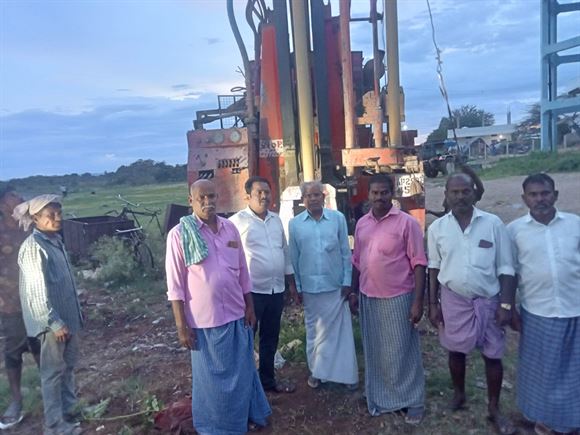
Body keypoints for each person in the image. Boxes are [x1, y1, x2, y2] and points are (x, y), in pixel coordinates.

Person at [165, 179, 271, 434]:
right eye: (201, 198)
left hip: (236, 315)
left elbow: (243, 271)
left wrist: (250, 307)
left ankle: (245, 416)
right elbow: (176, 286)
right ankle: (216, 426)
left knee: (243, 372)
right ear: (191, 200)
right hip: (204, 322)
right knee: (212, 382)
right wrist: (181, 326)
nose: (207, 202)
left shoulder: (230, 229)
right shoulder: (179, 235)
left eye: (211, 197)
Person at [427, 173, 516, 435]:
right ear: (446, 195)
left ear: (474, 194)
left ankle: (494, 407)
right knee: (455, 351)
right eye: (454, 192)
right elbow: (434, 267)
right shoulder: (437, 229)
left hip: (489, 300)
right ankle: (459, 395)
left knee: (493, 355)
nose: (460, 196)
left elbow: (507, 267)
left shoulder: (493, 224)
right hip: (454, 300)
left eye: (465, 191)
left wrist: (506, 305)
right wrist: (433, 304)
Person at [350, 175, 427, 424]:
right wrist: (353, 291)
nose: (379, 197)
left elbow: (419, 263)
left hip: (398, 297)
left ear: (392, 193)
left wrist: (418, 302)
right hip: (368, 296)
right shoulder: (362, 224)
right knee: (376, 351)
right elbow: (357, 261)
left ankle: (413, 401)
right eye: (375, 193)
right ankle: (382, 399)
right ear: (369, 195)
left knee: (402, 351)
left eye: (384, 192)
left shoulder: (407, 223)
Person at [507, 173, 580, 435]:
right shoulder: (514, 231)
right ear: (524, 199)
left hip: (575, 309)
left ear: (555, 195)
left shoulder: (575, 225)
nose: (540, 199)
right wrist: (510, 308)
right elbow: (510, 272)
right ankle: (543, 422)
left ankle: (572, 421)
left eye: (545, 193)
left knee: (574, 370)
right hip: (538, 312)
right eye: (534, 194)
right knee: (543, 373)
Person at [14, 194, 83, 435]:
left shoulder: (54, 240)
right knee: (53, 374)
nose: (57, 218)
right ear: (35, 219)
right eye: (50, 215)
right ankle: (55, 426)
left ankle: (70, 411)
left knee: (68, 368)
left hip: (68, 319)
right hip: (52, 325)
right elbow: (36, 293)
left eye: (58, 213)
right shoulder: (34, 247)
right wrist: (54, 322)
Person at [229, 176, 298, 394]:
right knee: (247, 339)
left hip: (275, 290)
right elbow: (228, 258)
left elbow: (285, 252)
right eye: (259, 192)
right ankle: (245, 386)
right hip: (252, 293)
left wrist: (291, 285)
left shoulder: (276, 220)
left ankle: (267, 382)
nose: (264, 196)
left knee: (270, 338)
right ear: (247, 196)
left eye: (267, 192)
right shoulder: (235, 222)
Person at [288, 181, 358, 389]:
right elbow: (294, 257)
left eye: (317, 195)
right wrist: (297, 287)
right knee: (315, 332)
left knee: (340, 333)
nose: (313, 199)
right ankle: (318, 373)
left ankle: (346, 377)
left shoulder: (337, 219)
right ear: (303, 200)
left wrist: (347, 282)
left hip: (335, 286)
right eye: (309, 196)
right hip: (310, 288)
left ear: (324, 196)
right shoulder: (295, 224)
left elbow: (346, 252)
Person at [0, 188, 40, 430]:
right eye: (13, 195)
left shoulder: (29, 227)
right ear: (3, 204)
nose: (20, 198)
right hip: (9, 301)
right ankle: (16, 400)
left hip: (35, 298)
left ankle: (49, 390)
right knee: (13, 350)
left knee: (39, 344)